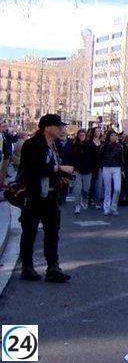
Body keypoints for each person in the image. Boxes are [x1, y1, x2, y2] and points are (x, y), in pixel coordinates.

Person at [17, 114, 73, 283]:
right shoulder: (32, 144)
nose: (62, 129)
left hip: (50, 196)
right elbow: (36, 168)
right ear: (48, 127)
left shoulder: (53, 145)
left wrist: (60, 178)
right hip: (34, 195)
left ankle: (53, 267)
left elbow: (49, 171)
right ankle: (27, 267)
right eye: (58, 126)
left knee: (52, 232)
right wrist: (59, 168)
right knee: (30, 232)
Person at [98, 130, 124, 216]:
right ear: (108, 137)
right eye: (111, 135)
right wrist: (102, 166)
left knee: (117, 188)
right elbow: (100, 158)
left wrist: (123, 170)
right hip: (106, 167)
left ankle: (114, 206)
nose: (113, 137)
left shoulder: (119, 146)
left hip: (117, 168)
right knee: (107, 189)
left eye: (115, 135)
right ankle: (106, 207)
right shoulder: (104, 146)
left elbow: (121, 159)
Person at [68, 129, 94, 214]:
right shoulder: (75, 145)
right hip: (77, 170)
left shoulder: (90, 145)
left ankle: (85, 199)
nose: (82, 137)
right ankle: (77, 206)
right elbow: (71, 157)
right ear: (78, 136)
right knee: (77, 189)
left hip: (88, 170)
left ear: (85, 136)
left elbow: (94, 157)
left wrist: (93, 168)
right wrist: (72, 167)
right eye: (80, 135)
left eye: (83, 135)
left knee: (86, 189)